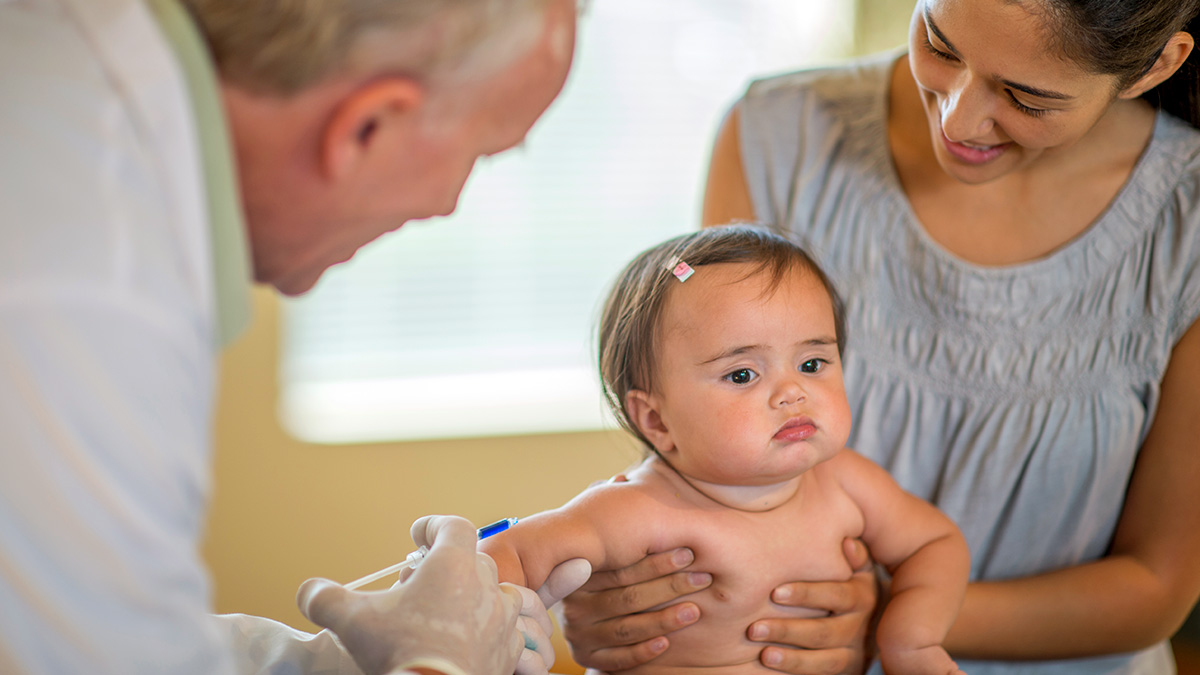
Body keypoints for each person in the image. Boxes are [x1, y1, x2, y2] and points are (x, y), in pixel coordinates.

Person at [556, 1, 1200, 674]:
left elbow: (1155, 586)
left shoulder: (1186, 222)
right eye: (940, 44)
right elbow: (699, 443)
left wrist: (893, 614)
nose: (957, 118)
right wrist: (631, 598)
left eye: (1027, 98)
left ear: (1157, 65)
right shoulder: (780, 135)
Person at [0, 0, 591, 673]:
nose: (447, 206)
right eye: (480, 155)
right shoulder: (85, 284)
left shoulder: (72, 88)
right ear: (369, 125)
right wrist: (438, 663)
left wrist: (331, 663)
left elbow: (128, 636)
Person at [481, 226, 971, 675]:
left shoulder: (846, 483)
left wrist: (910, 639)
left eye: (813, 361)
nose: (792, 392)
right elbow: (510, 552)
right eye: (743, 374)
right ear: (657, 420)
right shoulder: (640, 509)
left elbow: (934, 545)